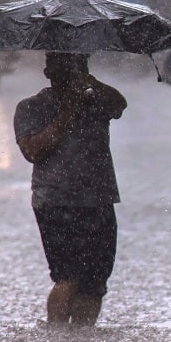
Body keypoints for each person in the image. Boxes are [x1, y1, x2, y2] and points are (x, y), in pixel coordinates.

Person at [14, 52, 128, 326]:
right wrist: (67, 111)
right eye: (64, 70)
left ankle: (82, 338)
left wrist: (93, 86)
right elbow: (33, 150)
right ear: (48, 73)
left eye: (79, 68)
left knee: (95, 281)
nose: (71, 76)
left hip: (99, 199)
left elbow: (120, 105)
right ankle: (56, 336)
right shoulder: (31, 106)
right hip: (55, 202)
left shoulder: (97, 99)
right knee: (68, 276)